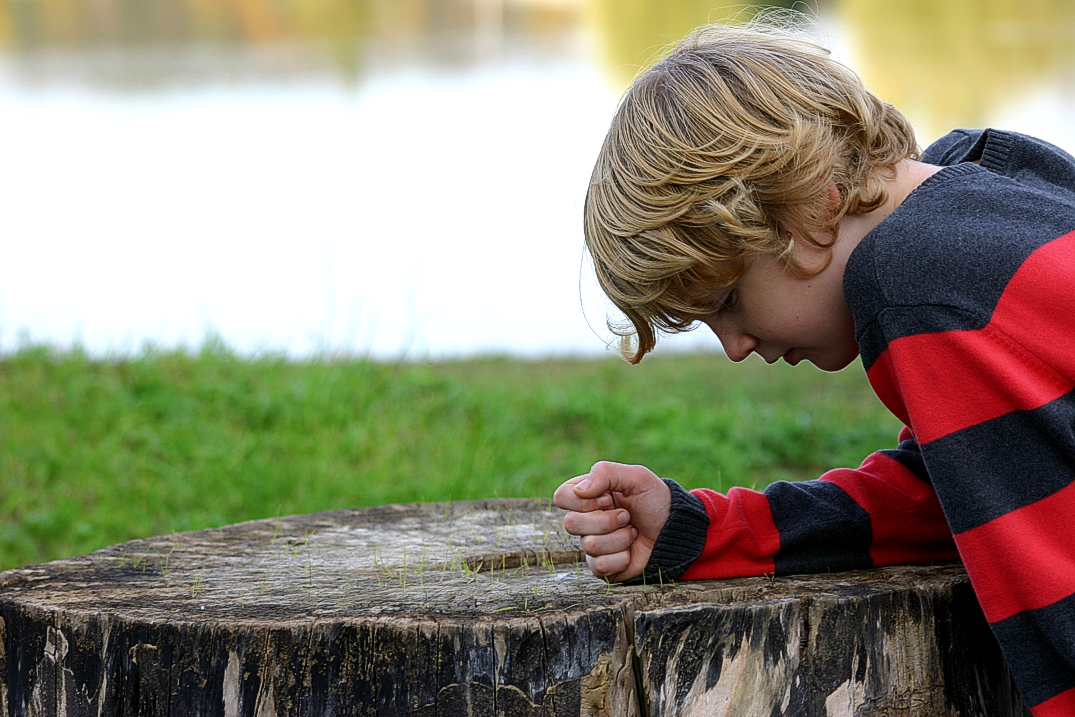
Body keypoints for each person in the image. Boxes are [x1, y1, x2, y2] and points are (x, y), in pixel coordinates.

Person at [553, 20, 1075, 716]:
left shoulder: (917, 282)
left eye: (729, 301)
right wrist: (702, 529)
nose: (735, 347)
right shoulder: (993, 187)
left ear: (804, 203)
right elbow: (962, 488)